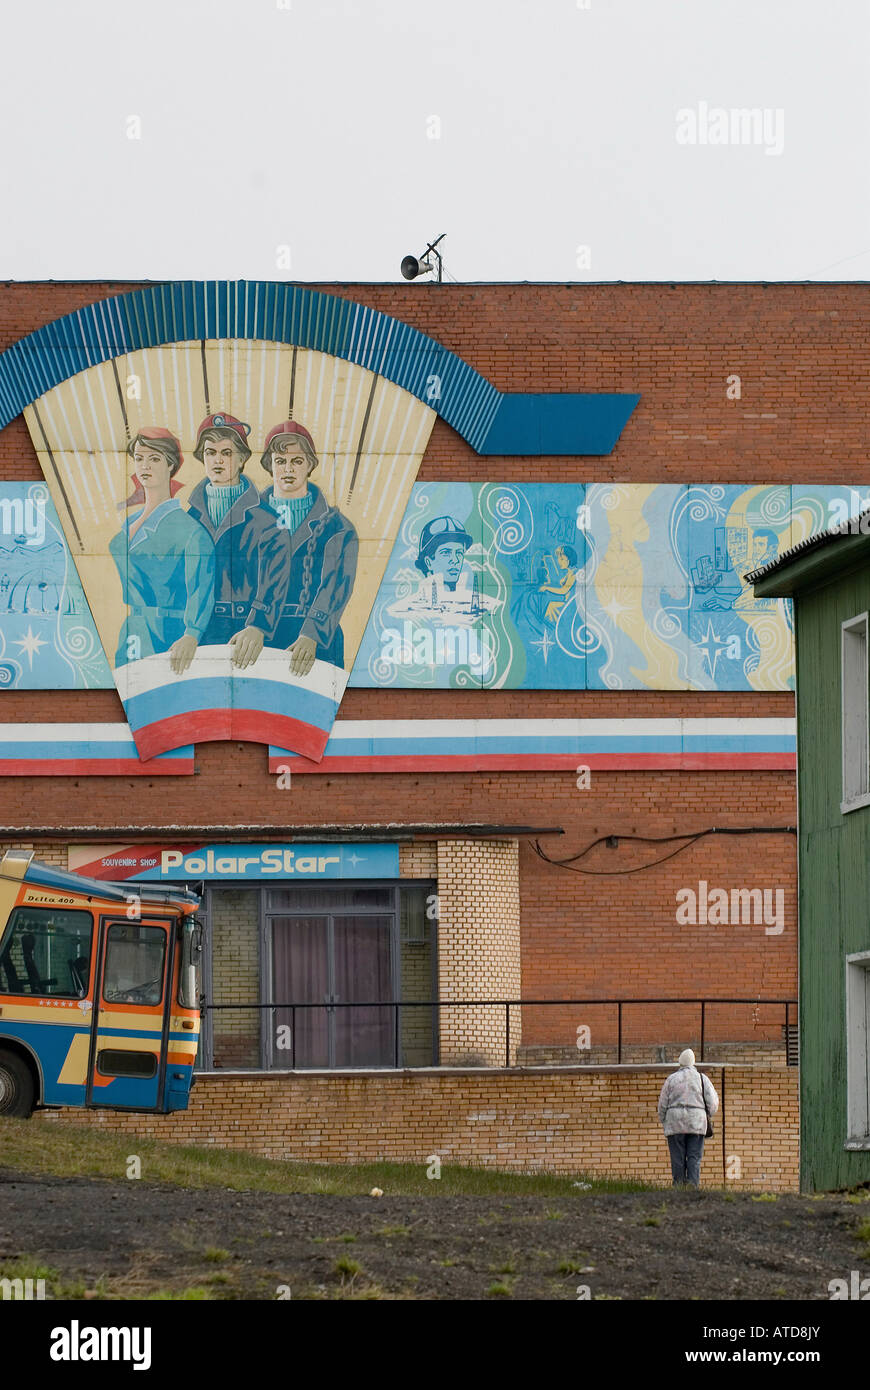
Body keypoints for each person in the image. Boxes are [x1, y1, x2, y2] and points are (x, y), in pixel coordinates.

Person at [186, 413, 292, 668]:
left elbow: (276, 577)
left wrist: (258, 626)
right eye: (210, 452)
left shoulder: (269, 520)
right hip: (198, 635)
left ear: (243, 458)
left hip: (249, 635)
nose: (218, 460)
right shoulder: (188, 519)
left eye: (227, 453)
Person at [109, 428, 215, 674]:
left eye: (154, 458)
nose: (145, 465)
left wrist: (192, 634)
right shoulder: (128, 525)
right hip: (132, 634)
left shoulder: (191, 532)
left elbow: (201, 590)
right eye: (139, 458)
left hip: (169, 635)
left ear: (170, 465)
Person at [259, 421, 357, 675]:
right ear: (270, 465)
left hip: (316, 644)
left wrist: (312, 633)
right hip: (258, 640)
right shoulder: (248, 521)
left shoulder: (338, 527)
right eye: (280, 461)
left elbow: (336, 585)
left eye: (297, 461)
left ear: (310, 465)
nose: (288, 469)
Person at [657, 1048, 719, 1187]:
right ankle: (692, 1188)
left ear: (680, 1062)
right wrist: (706, 1113)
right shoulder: (702, 1079)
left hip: (675, 1124)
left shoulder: (671, 1079)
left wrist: (664, 1121)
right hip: (696, 1124)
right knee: (694, 1157)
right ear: (693, 1062)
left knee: (677, 1158)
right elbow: (713, 1103)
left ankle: (678, 1187)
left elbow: (662, 1104)